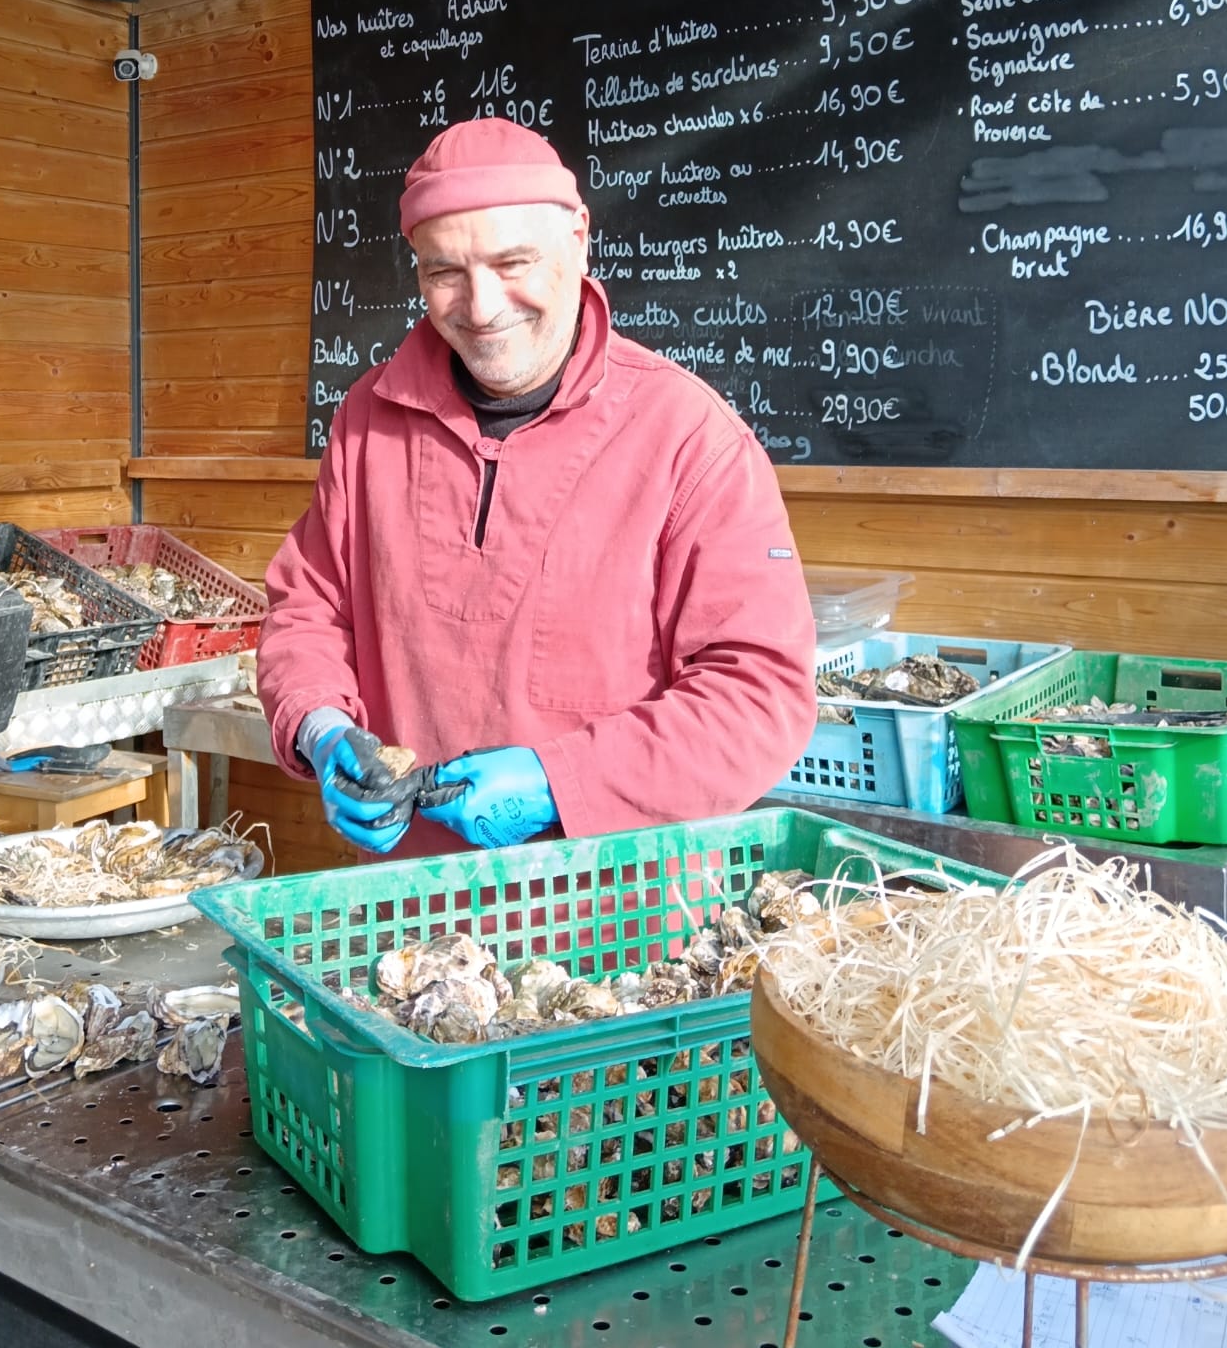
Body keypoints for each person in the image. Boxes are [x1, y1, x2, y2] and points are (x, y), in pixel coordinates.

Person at [257, 117, 817, 856]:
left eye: (512, 262)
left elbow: (759, 697)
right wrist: (318, 724)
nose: (481, 307)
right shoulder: (369, 418)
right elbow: (309, 609)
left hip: (618, 921)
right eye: (443, 273)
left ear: (578, 238)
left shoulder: (688, 437)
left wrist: (563, 779)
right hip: (410, 907)